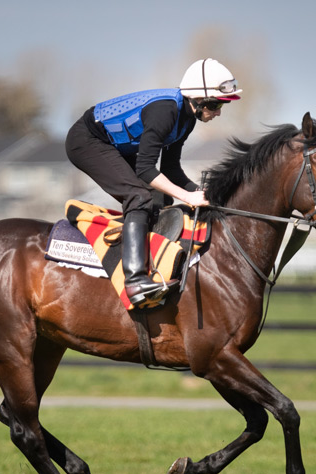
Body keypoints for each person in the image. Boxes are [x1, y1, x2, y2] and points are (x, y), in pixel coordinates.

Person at [65, 58, 242, 307]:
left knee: (160, 197)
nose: (218, 112)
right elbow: (146, 169)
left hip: (114, 146)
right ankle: (135, 281)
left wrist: (202, 193)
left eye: (222, 105)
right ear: (198, 99)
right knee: (139, 196)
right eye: (215, 105)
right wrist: (187, 197)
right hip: (86, 141)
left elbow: (171, 170)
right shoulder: (165, 112)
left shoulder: (187, 120)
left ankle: (154, 263)